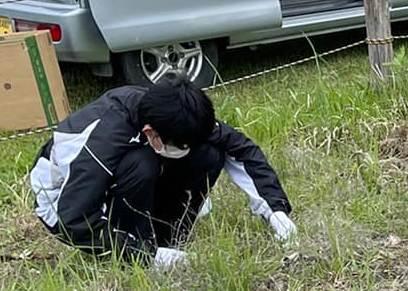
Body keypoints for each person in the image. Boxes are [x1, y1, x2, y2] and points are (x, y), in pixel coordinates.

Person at [29, 75, 296, 268]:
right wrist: (144, 255)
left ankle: (168, 239)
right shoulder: (102, 142)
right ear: (150, 132)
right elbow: (73, 220)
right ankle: (139, 256)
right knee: (141, 164)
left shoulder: (172, 112)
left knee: (209, 153)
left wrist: (275, 211)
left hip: (121, 178)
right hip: (61, 202)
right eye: (179, 145)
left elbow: (241, 149)